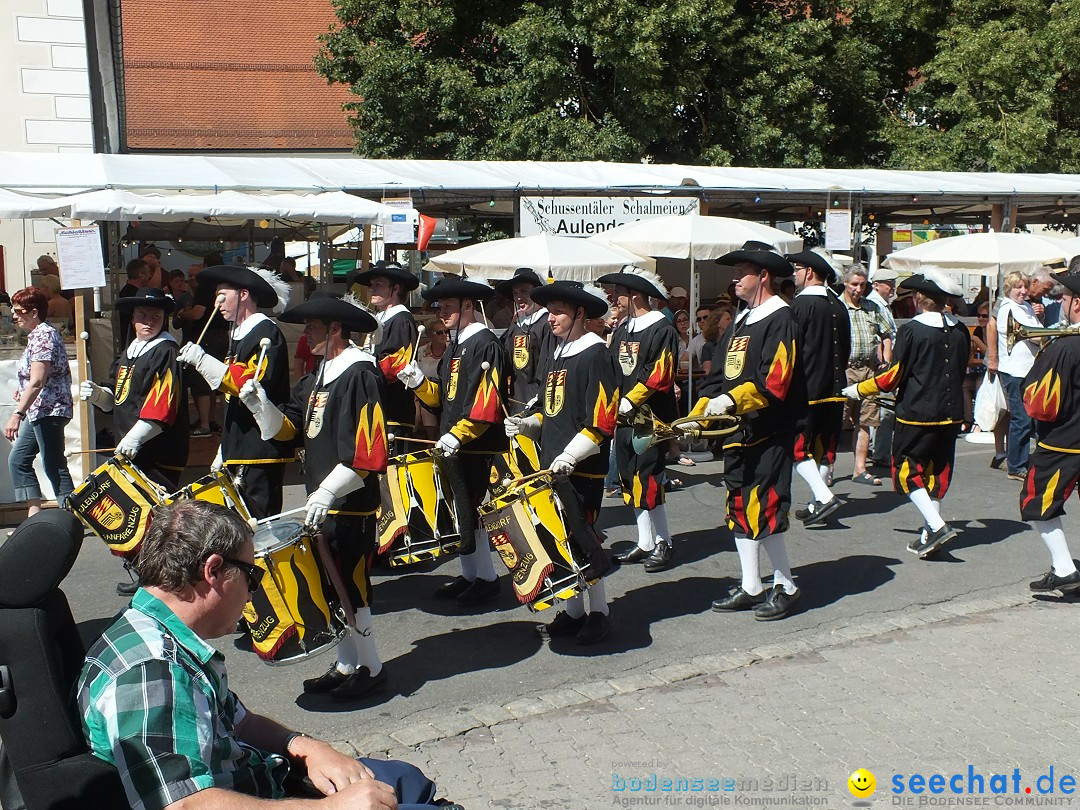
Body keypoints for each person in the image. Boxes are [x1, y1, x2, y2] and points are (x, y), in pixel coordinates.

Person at [76, 500, 460, 810]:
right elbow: (183, 804)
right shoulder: (152, 670)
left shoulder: (158, 634)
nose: (253, 593)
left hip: (258, 782)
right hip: (245, 796)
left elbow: (240, 724)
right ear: (213, 570)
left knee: (409, 781)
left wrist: (309, 748)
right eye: (252, 576)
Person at [239, 295, 391, 701]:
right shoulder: (316, 376)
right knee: (330, 584)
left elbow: (368, 450)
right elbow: (288, 431)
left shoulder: (359, 373)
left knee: (352, 585)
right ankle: (346, 664)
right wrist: (259, 405)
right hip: (320, 500)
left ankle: (372, 667)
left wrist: (327, 490)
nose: (306, 337)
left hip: (349, 501)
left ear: (336, 330)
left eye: (313, 329)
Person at [690, 245, 806, 621]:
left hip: (768, 431)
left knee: (766, 508)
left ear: (765, 276)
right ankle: (752, 584)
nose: (735, 277)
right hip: (737, 431)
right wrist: (698, 413)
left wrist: (731, 401)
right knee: (739, 507)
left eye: (743, 271)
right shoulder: (741, 320)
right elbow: (718, 375)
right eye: (736, 270)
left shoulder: (782, 318)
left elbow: (776, 380)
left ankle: (786, 585)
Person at [505, 281, 619, 644]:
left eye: (559, 312)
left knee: (584, 537)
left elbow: (602, 419)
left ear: (580, 315)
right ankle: (573, 610)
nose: (551, 318)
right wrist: (527, 424)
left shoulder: (596, 353)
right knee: (563, 538)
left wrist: (571, 454)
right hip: (551, 464)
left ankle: (599, 611)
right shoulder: (556, 352)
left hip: (581, 466)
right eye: (550, 311)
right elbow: (550, 413)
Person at [398, 275, 509, 607]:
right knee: (461, 511)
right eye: (441, 307)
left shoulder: (486, 344)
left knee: (474, 511)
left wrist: (455, 436)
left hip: (477, 445)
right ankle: (471, 574)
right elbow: (441, 401)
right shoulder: (456, 347)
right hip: (455, 444)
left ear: (469, 306)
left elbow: (486, 406)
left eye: (448, 307)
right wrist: (418, 382)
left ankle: (487, 578)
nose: (442, 313)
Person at [844, 271, 970, 558]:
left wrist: (859, 390)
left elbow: (893, 376)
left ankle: (937, 526)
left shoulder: (913, 329)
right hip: (950, 413)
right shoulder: (961, 329)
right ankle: (929, 535)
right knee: (935, 474)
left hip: (917, 413)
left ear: (919, 299)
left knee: (907, 471)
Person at [179, 265, 291, 517]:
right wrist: (225, 447)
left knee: (260, 523)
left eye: (222, 296)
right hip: (239, 446)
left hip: (259, 449)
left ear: (243, 295)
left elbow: (252, 384)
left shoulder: (266, 331)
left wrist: (204, 362)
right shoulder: (239, 333)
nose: (217, 303)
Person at [598, 266, 679, 573]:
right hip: (623, 419)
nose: (612, 297)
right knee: (630, 480)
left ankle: (664, 542)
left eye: (617, 292)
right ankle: (645, 541)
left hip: (650, 418)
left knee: (649, 480)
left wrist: (630, 400)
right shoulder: (622, 329)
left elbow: (661, 373)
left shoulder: (662, 328)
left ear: (634, 294)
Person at [81, 288, 189, 489]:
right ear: (133, 318)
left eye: (155, 316)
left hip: (157, 453)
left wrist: (134, 438)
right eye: (143, 315)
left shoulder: (167, 352)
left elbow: (162, 405)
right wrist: (97, 395)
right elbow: (114, 399)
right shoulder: (128, 353)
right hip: (130, 451)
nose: (149, 321)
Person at [1018, 268, 1080, 594]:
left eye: (1065, 298)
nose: (1062, 303)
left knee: (1036, 502)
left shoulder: (1064, 347)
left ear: (1078, 305)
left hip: (1064, 442)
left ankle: (1066, 568)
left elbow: (1039, 403)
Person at [787, 250, 850, 525]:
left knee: (797, 448)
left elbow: (790, 351)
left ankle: (823, 496)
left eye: (797, 269)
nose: (795, 275)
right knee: (824, 449)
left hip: (807, 390)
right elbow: (846, 349)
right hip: (835, 389)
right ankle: (816, 504)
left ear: (809, 272)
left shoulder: (798, 306)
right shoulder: (838, 305)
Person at [4, 287, 74, 515]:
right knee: (19, 460)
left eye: (19, 311)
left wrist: (17, 414)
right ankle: (34, 517)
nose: (15, 316)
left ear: (34, 312)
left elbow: (38, 381)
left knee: (54, 464)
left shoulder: (44, 336)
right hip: (40, 410)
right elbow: (34, 381)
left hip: (49, 410)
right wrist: (23, 393)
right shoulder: (38, 335)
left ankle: (71, 515)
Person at [354, 261, 420, 445]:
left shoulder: (401, 320)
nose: (372, 289)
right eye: (371, 285)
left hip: (393, 413)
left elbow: (394, 365)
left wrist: (361, 372)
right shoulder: (380, 319)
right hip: (378, 410)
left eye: (378, 285)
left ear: (395, 289)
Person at [841, 265, 893, 486]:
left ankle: (860, 469)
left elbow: (887, 333)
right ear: (845, 283)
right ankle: (827, 467)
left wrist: (887, 361)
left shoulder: (872, 307)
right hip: (845, 370)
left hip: (869, 370)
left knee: (866, 420)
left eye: (862, 285)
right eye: (854, 284)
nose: (858, 289)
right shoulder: (838, 307)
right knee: (839, 420)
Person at [995, 270, 1040, 480]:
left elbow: (1039, 329)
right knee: (1021, 419)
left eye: (1024, 286)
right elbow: (1036, 336)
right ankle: (1015, 466)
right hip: (1015, 370)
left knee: (1028, 418)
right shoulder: (1009, 308)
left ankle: (1022, 460)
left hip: (1027, 369)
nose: (1023, 291)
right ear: (1008, 289)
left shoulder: (1026, 306)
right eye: (1017, 287)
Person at [496, 268, 556, 413]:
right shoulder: (517, 325)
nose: (519, 298)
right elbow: (508, 362)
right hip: (517, 400)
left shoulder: (546, 323)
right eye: (515, 293)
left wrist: (539, 399)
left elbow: (548, 365)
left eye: (524, 291)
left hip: (538, 401)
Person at [867, 267, 899, 467]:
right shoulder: (875, 304)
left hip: (885, 361)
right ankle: (881, 452)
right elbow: (881, 335)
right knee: (885, 408)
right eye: (888, 283)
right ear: (877, 285)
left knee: (879, 407)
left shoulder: (882, 304)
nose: (892, 287)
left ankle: (877, 449)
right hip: (883, 363)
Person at [415, 320, 448, 440]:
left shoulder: (452, 350)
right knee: (424, 403)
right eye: (439, 332)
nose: (444, 335)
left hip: (446, 391)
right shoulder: (420, 352)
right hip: (426, 392)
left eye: (446, 331)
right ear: (430, 335)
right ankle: (431, 440)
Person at [118, 258, 151, 344]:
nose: (149, 276)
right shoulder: (136, 295)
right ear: (141, 275)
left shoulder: (125, 291)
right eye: (148, 273)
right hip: (133, 340)